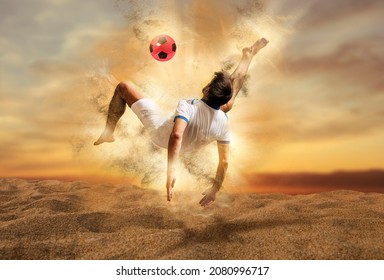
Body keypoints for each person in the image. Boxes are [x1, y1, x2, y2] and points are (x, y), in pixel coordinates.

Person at [94, 38, 269, 206]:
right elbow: (224, 163)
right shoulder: (224, 121)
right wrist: (215, 189)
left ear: (206, 89)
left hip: (160, 134)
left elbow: (176, 135)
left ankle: (108, 132)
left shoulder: (188, 106)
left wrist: (170, 171)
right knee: (231, 95)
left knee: (124, 87)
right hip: (191, 144)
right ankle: (248, 56)